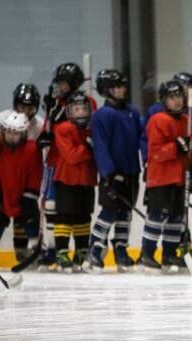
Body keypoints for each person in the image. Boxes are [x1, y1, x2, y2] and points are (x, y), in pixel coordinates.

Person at [36, 63, 98, 271]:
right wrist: (46, 132)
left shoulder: (87, 103)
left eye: (63, 83)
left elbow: (89, 128)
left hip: (79, 167)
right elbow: (49, 128)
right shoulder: (55, 102)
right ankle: (54, 249)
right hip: (58, 162)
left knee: (79, 211)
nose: (60, 87)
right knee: (54, 207)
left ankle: (75, 250)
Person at [138, 80, 192, 273]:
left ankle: (169, 254)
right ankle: (147, 254)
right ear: (164, 101)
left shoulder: (187, 122)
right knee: (157, 217)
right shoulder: (158, 120)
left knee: (176, 217)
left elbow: (187, 152)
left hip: (180, 178)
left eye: (179, 97)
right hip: (161, 178)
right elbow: (156, 152)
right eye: (172, 98)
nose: (177, 101)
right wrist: (177, 145)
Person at [0, 83, 44, 262]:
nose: (25, 111)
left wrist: (31, 190)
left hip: (21, 177)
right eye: (22, 106)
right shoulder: (1, 119)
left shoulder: (39, 125)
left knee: (25, 211)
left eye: (30, 108)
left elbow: (37, 160)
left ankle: (23, 251)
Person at [88, 69, 142, 272]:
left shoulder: (132, 112)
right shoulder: (102, 115)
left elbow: (141, 137)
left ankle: (120, 248)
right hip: (113, 174)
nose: (122, 90)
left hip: (131, 171)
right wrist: (109, 173)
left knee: (126, 212)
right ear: (106, 90)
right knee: (109, 210)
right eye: (117, 87)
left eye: (123, 86)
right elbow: (100, 146)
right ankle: (95, 246)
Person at [52, 92, 97, 272]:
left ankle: (81, 252)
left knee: (83, 216)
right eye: (76, 108)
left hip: (87, 179)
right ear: (69, 111)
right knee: (65, 215)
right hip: (66, 179)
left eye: (83, 108)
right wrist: (87, 147)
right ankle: (62, 252)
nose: (80, 112)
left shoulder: (92, 129)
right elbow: (71, 156)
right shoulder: (63, 128)